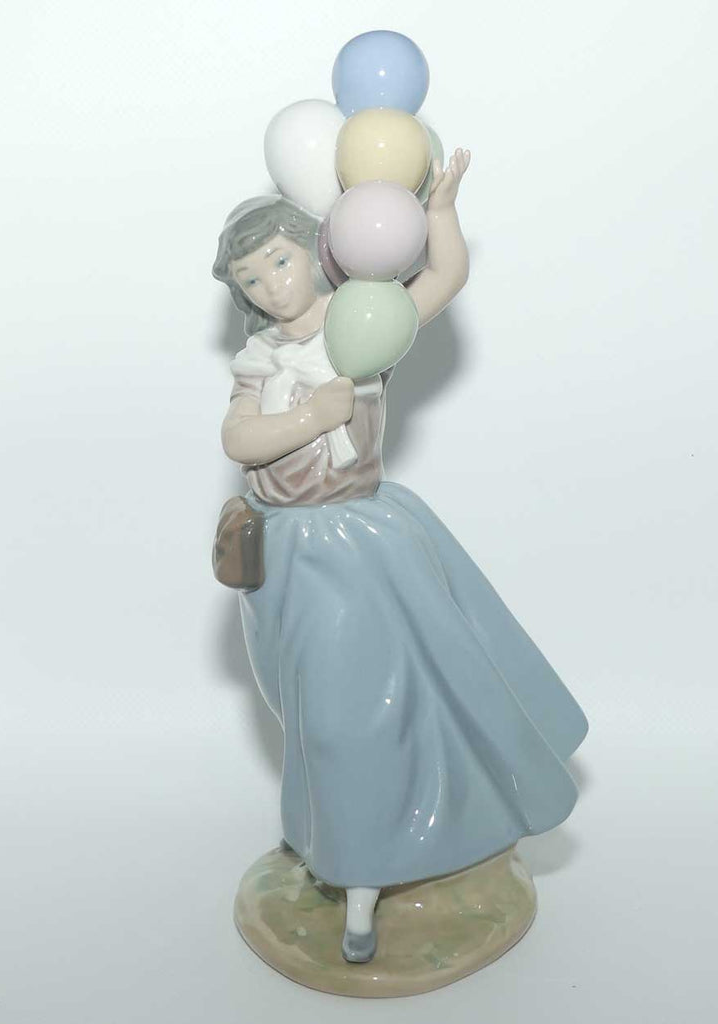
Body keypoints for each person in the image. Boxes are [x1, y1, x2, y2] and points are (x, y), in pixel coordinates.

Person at [212, 150, 587, 964]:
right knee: (306, 715)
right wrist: (311, 416)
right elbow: (239, 437)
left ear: (312, 251)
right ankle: (341, 842)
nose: (271, 285)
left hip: (355, 545)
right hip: (282, 554)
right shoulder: (261, 357)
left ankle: (364, 881)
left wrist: (440, 212)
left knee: (359, 717)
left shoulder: (359, 323)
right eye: (251, 278)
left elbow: (442, 279)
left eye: (279, 261)